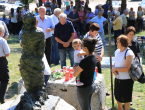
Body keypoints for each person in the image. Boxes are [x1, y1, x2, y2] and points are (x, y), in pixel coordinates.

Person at [73, 37, 98, 110]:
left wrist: (75, 69)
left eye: (82, 45)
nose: (81, 47)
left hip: (84, 89)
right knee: (88, 107)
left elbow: (75, 75)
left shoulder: (84, 61)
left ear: (86, 48)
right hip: (91, 85)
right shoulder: (93, 56)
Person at [112, 35, 135, 110]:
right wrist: (114, 70)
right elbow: (115, 63)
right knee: (118, 97)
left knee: (126, 98)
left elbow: (127, 68)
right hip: (118, 78)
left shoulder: (129, 53)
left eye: (118, 42)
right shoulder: (117, 51)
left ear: (123, 43)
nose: (116, 43)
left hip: (127, 79)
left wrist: (115, 69)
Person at [0, 25, 10, 104]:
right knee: (5, 79)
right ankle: (1, 97)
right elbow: (7, 53)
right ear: (1, 32)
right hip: (1, 60)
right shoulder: (2, 41)